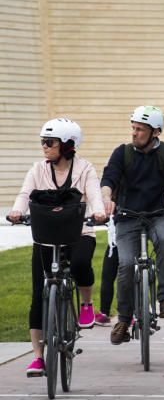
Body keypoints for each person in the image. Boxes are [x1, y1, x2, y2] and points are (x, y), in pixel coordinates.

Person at [9, 119, 107, 377]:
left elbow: (95, 194)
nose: (44, 147)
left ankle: (86, 304)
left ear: (67, 145)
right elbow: (24, 194)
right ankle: (38, 358)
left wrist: (98, 211)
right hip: (46, 236)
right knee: (37, 296)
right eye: (42, 141)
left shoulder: (84, 169)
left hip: (78, 233)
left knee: (79, 264)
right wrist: (17, 211)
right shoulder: (37, 169)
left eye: (49, 142)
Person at [101, 105, 164, 346]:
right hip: (127, 217)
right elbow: (109, 177)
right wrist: (107, 199)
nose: (134, 133)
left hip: (157, 214)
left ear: (155, 132)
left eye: (140, 129)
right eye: (133, 128)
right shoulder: (123, 153)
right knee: (127, 264)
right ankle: (124, 320)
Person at [94, 218, 117, 326]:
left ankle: (133, 312)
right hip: (113, 245)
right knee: (107, 276)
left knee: (128, 278)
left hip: (131, 242)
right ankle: (104, 313)